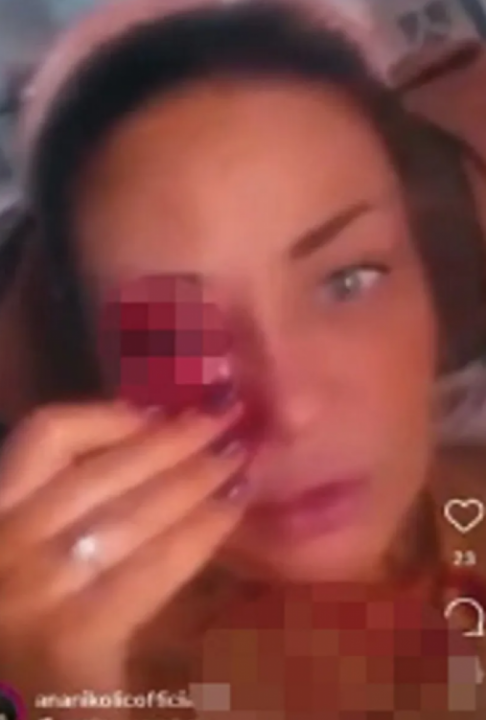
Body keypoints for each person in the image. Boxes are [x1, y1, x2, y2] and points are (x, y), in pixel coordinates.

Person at [0, 0, 486, 716]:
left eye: (348, 282)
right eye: (172, 336)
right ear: (94, 374)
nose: (292, 409)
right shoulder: (52, 668)